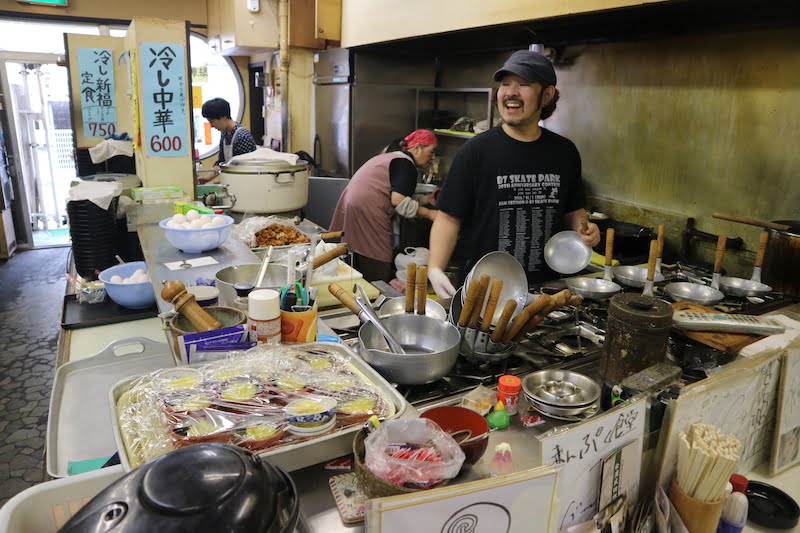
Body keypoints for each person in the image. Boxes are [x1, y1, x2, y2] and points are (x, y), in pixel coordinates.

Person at [427, 50, 600, 298]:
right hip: (484, 293)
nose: (510, 92)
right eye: (505, 84)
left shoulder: (565, 152)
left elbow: (573, 212)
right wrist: (435, 267)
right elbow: (448, 219)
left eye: (523, 84)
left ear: (547, 95)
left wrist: (585, 230)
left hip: (544, 290)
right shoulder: (475, 152)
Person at [329, 130, 439, 283]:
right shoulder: (406, 165)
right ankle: (377, 295)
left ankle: (362, 290)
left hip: (354, 202)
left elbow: (396, 193)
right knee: (378, 257)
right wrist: (430, 214)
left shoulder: (393, 157)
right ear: (417, 149)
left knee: (359, 253)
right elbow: (399, 201)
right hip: (369, 207)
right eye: (431, 151)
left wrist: (425, 199)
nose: (433, 157)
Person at [197, 97, 257, 183]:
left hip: (245, 183)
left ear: (223, 117)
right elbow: (221, 163)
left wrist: (212, 183)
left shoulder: (242, 137)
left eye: (212, 121)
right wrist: (207, 178)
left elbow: (239, 171)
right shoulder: (225, 134)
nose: (211, 126)